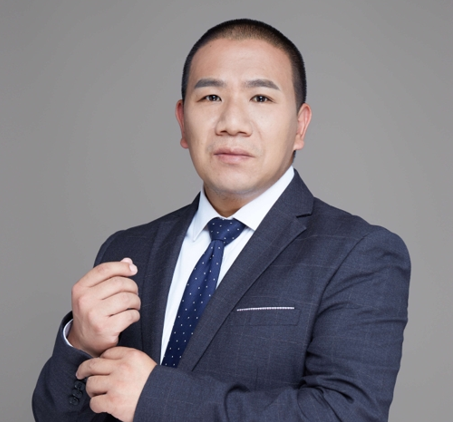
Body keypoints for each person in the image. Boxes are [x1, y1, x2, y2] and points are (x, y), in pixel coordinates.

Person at [32, 18, 410, 422]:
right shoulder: (128, 250)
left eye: (260, 98)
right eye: (211, 97)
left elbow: (345, 414)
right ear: (182, 121)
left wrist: (156, 395)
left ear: (300, 126)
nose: (232, 123)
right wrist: (81, 343)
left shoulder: (359, 254)